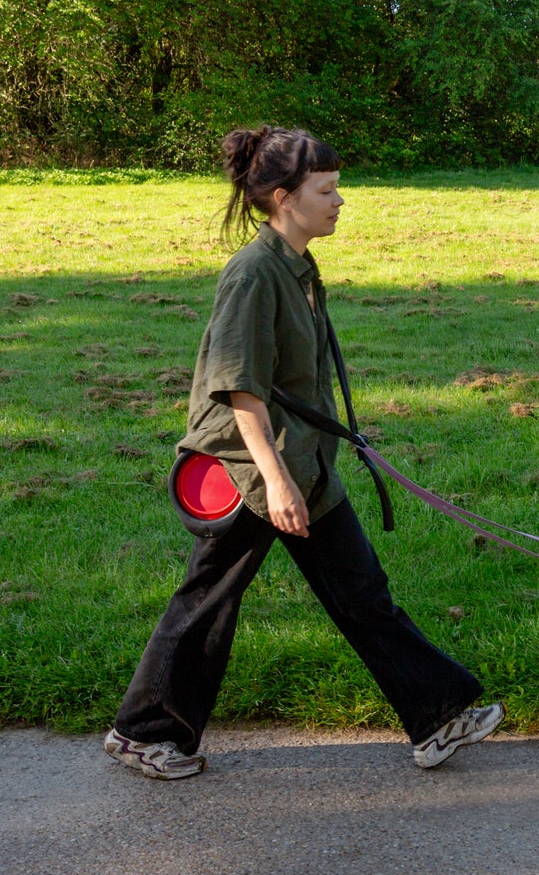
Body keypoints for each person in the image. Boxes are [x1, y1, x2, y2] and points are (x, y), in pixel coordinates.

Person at [104, 126, 502, 779]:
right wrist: (277, 482)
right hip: (250, 472)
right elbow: (239, 389)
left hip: (302, 465)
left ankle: (436, 718)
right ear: (285, 198)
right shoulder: (254, 273)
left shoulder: (295, 265)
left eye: (337, 188)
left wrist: (303, 470)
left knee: (361, 593)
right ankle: (141, 733)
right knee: (207, 600)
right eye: (328, 190)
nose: (340, 201)